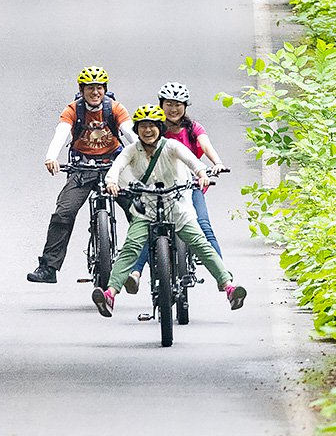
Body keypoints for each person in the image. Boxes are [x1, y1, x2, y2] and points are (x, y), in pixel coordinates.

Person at [91, 105, 246, 316]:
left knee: (200, 243)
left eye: (152, 126)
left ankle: (229, 287)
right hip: (147, 209)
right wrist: (111, 182)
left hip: (178, 206)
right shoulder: (132, 150)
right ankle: (110, 294)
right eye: (143, 126)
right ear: (137, 129)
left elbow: (192, 161)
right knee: (131, 247)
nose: (147, 130)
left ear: (160, 128)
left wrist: (202, 174)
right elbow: (117, 167)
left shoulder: (171, 146)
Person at [26, 66, 133, 283]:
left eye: (99, 88)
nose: (95, 92)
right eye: (90, 88)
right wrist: (51, 156)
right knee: (63, 213)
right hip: (83, 168)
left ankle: (153, 260)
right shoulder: (73, 110)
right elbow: (61, 133)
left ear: (105, 89)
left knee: (138, 209)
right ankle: (49, 268)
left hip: (113, 168)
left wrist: (146, 154)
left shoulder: (115, 108)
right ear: (82, 90)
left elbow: (130, 132)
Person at [123, 80, 228, 295]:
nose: (173, 109)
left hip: (189, 185)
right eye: (169, 104)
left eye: (178, 104)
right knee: (148, 228)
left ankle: (223, 276)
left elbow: (205, 145)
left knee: (203, 225)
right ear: (161, 104)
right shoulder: (154, 129)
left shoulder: (193, 128)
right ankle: (135, 273)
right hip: (158, 188)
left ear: (185, 106)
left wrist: (217, 163)